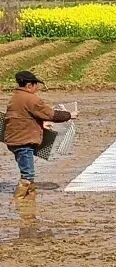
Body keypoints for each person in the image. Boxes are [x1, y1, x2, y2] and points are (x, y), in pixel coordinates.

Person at [3, 70, 77, 200]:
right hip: (23, 142)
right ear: (29, 85)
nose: (37, 88)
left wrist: (42, 124)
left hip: (14, 140)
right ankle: (18, 202)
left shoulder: (15, 97)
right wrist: (69, 115)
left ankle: (30, 200)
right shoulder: (31, 99)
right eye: (36, 85)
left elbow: (22, 118)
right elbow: (50, 114)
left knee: (28, 173)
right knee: (27, 175)